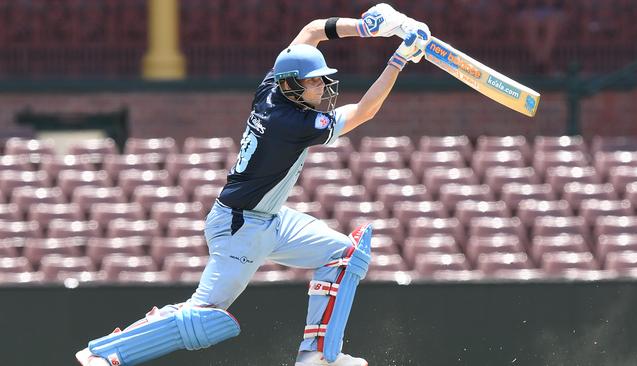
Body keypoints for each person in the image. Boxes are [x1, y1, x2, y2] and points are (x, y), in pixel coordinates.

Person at [75, 4, 429, 366]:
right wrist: (397, 61)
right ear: (292, 85)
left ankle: (317, 357)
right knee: (204, 315)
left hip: (269, 220)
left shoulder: (270, 88)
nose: (322, 85)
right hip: (240, 228)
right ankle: (104, 352)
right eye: (314, 81)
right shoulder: (292, 124)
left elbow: (310, 32)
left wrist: (366, 28)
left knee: (343, 254)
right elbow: (365, 111)